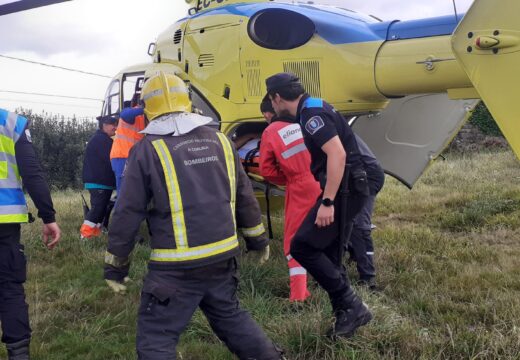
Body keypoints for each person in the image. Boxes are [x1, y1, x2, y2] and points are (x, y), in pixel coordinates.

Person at [104, 72, 283, 360]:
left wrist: (116, 267)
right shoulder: (222, 142)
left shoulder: (146, 150)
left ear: (149, 110)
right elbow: (245, 197)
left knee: (156, 340)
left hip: (175, 267)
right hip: (222, 258)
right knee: (231, 319)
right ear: (188, 102)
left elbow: (127, 212)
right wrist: (258, 241)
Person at [265, 72, 384, 338]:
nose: (272, 106)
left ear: (277, 97)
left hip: (348, 188)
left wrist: (327, 202)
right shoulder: (313, 105)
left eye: (271, 101)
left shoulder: (310, 116)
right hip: (350, 184)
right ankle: (345, 314)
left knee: (302, 246)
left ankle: (352, 306)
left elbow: (337, 154)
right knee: (329, 252)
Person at [0, 109, 61, 359]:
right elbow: (32, 173)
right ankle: (19, 355)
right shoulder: (11, 122)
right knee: (8, 287)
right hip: (4, 221)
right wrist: (48, 217)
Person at [258, 95, 320, 302]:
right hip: (323, 179)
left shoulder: (270, 131)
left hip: (300, 185)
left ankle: (298, 295)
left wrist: (287, 180)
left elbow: (266, 170)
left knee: (294, 241)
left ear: (268, 113)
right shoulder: (305, 122)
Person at [348, 134, 385, 290]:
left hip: (367, 176)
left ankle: (368, 277)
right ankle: (355, 254)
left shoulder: (326, 128)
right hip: (355, 175)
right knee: (345, 218)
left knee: (360, 225)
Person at [80, 115, 117, 239]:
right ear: (104, 125)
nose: (116, 127)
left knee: (101, 209)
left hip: (101, 181)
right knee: (97, 209)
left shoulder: (101, 139)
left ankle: (94, 234)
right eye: (113, 124)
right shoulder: (102, 140)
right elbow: (110, 160)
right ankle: (85, 235)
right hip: (99, 181)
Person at [110, 94, 146, 194]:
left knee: (132, 192)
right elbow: (125, 114)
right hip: (122, 156)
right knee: (124, 193)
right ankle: (121, 209)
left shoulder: (144, 118)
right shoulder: (130, 113)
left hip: (130, 157)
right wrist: (143, 108)